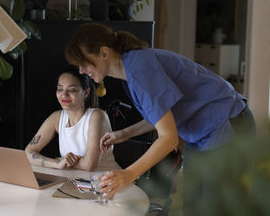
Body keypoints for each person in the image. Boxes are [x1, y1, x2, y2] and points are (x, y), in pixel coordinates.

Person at [64, 22, 256, 207]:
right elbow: (162, 114)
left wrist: (129, 174)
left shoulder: (140, 71)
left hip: (227, 123)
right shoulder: (131, 69)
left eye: (83, 63)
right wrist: (124, 134)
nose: (81, 70)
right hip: (204, 133)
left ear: (104, 53)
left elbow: (169, 138)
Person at [25, 65, 120, 171]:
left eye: (72, 90)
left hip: (108, 181)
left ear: (86, 93)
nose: (64, 95)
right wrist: (57, 163)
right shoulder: (56, 117)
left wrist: (64, 160)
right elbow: (28, 152)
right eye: (60, 89)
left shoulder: (97, 116)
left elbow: (89, 165)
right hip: (75, 180)